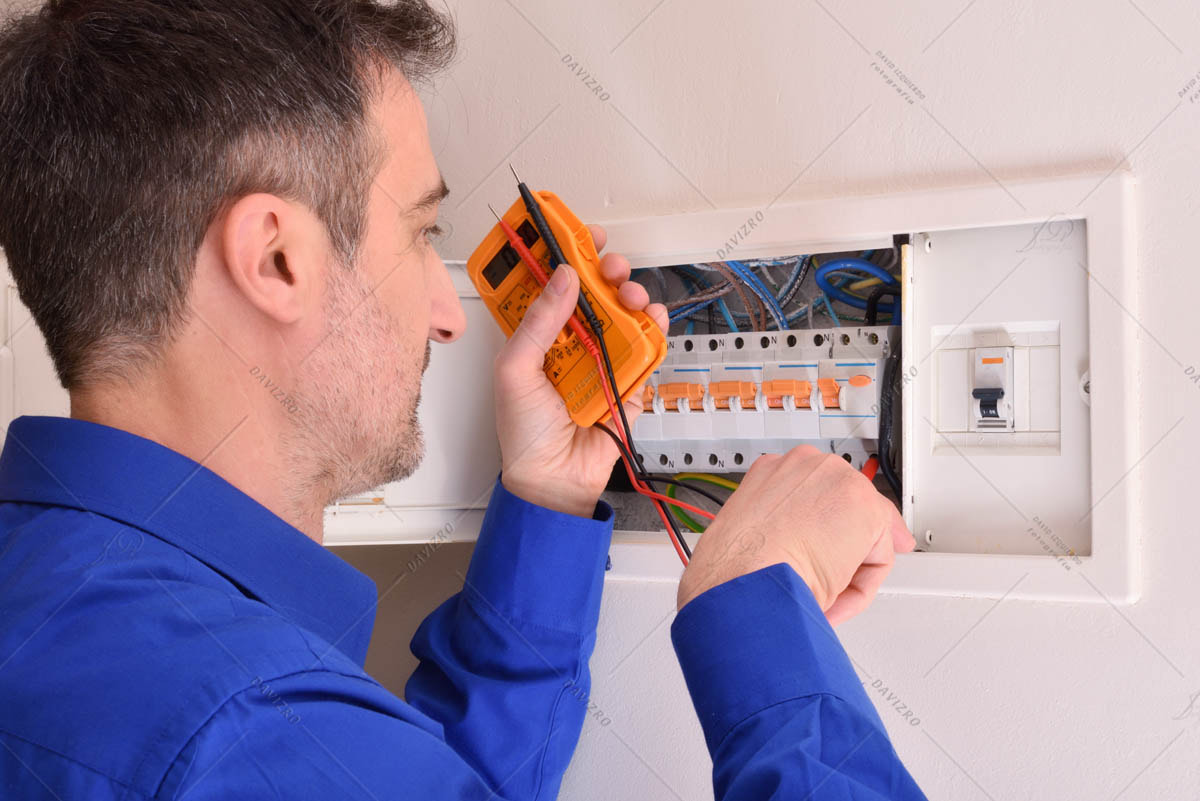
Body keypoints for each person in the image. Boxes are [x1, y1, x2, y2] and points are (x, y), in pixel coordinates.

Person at [0, 1, 925, 798]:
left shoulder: (67, 614)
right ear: (275, 259)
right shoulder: (242, 731)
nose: (450, 313)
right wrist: (758, 609)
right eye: (420, 232)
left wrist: (549, 504)